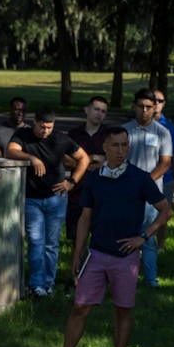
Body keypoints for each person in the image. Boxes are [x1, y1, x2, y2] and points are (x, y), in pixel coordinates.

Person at [47, 127, 173, 347]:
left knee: (122, 309)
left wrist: (143, 237)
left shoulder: (139, 178)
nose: (120, 151)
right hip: (96, 254)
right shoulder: (94, 179)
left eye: (124, 145)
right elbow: (85, 219)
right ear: (104, 147)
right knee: (80, 307)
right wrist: (77, 254)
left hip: (125, 258)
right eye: (115, 145)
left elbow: (166, 211)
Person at [6, 106, 90, 298]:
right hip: (31, 199)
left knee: (51, 243)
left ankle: (49, 283)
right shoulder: (23, 134)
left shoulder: (60, 138)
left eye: (49, 127)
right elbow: (10, 151)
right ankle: (37, 285)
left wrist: (72, 181)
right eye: (42, 126)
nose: (46, 131)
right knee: (36, 242)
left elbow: (83, 158)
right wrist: (31, 157)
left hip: (57, 198)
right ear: (34, 121)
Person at [120, 88, 171, 289]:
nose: (144, 110)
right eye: (140, 106)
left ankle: (150, 279)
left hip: (151, 195)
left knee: (147, 237)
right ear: (134, 107)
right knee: (124, 236)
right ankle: (124, 277)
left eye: (148, 107)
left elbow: (165, 163)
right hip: (125, 193)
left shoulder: (162, 132)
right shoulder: (124, 131)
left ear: (154, 108)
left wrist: (143, 184)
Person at [65, 95, 110, 245]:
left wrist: (81, 161)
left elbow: (112, 162)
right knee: (77, 241)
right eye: (96, 109)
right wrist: (90, 159)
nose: (99, 114)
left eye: (103, 111)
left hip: (102, 195)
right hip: (77, 194)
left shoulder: (109, 136)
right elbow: (65, 160)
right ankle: (76, 269)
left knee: (101, 242)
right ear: (87, 110)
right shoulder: (74, 135)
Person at [151, 88, 174, 254]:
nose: (156, 103)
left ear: (164, 104)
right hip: (144, 177)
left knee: (164, 213)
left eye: (160, 101)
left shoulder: (169, 127)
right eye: (154, 100)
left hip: (166, 178)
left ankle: (160, 245)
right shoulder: (140, 125)